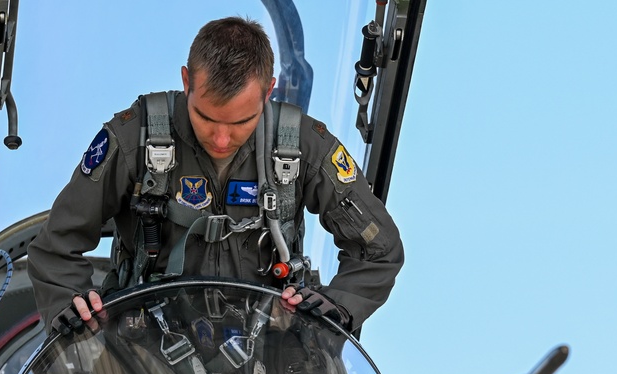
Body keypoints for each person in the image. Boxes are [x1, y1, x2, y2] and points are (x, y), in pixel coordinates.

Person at [27, 17, 403, 334]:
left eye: (241, 122)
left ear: (268, 92)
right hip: (145, 357)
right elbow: (55, 246)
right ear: (186, 81)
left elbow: (379, 249)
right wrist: (73, 312)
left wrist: (337, 306)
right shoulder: (135, 137)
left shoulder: (303, 144)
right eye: (206, 118)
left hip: (268, 350)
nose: (222, 139)